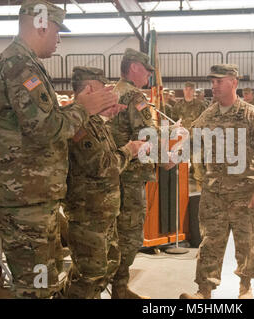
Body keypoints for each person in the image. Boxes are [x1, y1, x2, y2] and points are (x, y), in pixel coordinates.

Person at [0, 0, 119, 298]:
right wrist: (83, 108)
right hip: (24, 200)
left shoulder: (25, 63)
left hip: (33, 198)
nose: (58, 38)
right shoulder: (20, 66)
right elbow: (47, 128)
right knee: (36, 287)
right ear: (41, 24)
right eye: (56, 29)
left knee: (45, 281)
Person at [180, 64, 254, 299]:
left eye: (219, 81)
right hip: (214, 193)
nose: (214, 86)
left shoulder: (250, 114)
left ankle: (245, 287)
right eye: (212, 81)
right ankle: (204, 290)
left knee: (247, 243)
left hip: (246, 192)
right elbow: (193, 143)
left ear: (234, 82)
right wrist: (173, 157)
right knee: (210, 242)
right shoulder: (209, 114)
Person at [61, 67, 145, 298]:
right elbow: (105, 167)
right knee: (90, 275)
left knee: (106, 267)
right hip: (88, 214)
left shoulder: (93, 120)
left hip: (104, 212)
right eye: (102, 90)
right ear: (89, 89)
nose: (109, 95)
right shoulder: (79, 123)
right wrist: (130, 150)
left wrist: (107, 115)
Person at [107, 48, 157, 299]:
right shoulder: (134, 95)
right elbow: (147, 134)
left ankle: (119, 286)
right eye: (147, 70)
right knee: (130, 234)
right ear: (135, 67)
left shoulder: (111, 91)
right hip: (131, 175)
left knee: (114, 231)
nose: (149, 76)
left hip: (112, 172)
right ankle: (118, 288)